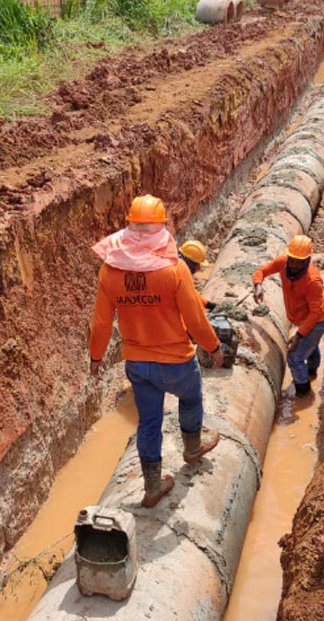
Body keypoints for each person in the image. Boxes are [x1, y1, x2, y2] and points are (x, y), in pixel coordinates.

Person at [89, 194, 224, 508]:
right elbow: (195, 318)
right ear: (161, 227)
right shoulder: (174, 269)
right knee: (190, 399)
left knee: (148, 422)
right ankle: (192, 448)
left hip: (138, 363)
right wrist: (213, 347)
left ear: (129, 226)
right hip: (176, 361)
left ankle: (152, 486)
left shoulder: (110, 272)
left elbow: (101, 324)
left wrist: (96, 357)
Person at [251, 234, 324, 398]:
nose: (294, 264)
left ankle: (303, 392)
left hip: (318, 321)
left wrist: (299, 335)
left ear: (307, 260)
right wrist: (258, 285)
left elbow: (316, 312)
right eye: (292, 259)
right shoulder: (283, 263)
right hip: (304, 318)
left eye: (298, 261)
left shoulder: (312, 281)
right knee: (310, 346)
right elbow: (261, 270)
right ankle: (311, 372)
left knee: (295, 357)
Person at [178, 239, 218, 311]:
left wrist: (207, 304)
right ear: (190, 263)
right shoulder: (179, 275)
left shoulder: (175, 267)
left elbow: (191, 294)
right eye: (197, 264)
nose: (199, 268)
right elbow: (189, 299)